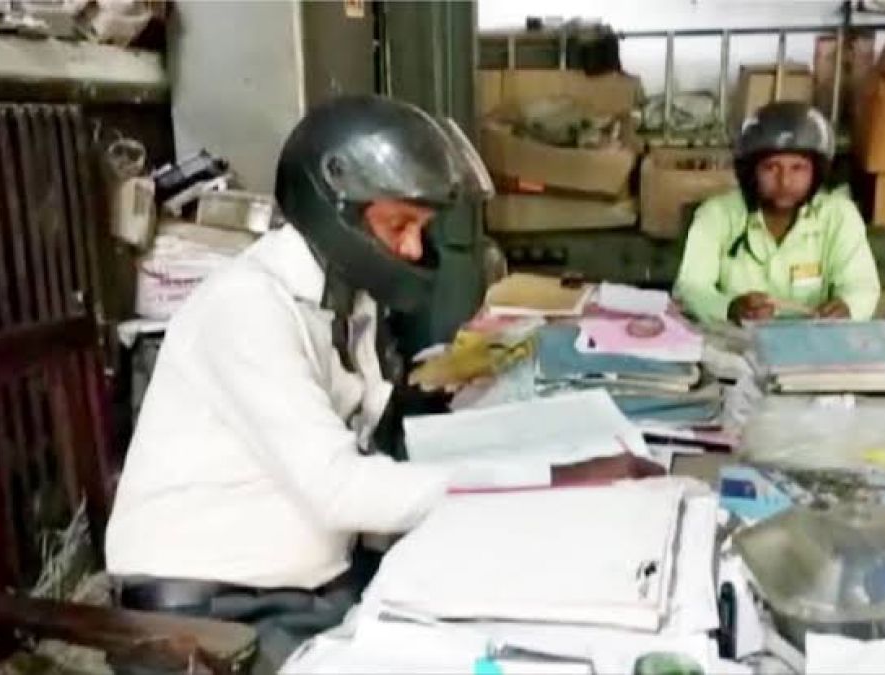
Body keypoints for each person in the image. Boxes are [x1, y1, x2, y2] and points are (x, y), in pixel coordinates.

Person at [104, 95, 662, 672]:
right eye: (398, 225)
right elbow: (347, 491)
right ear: (336, 208)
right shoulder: (247, 306)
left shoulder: (346, 301)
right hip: (213, 619)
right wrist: (553, 479)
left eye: (419, 228)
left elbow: (368, 434)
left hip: (311, 590)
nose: (414, 249)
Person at [673, 102, 880, 325]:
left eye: (798, 168)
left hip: (816, 343)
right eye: (771, 168)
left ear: (816, 172)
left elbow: (861, 284)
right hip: (736, 341)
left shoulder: (839, 215)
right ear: (751, 172)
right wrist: (730, 308)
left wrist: (847, 307)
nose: (785, 181)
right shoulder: (716, 215)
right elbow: (691, 287)